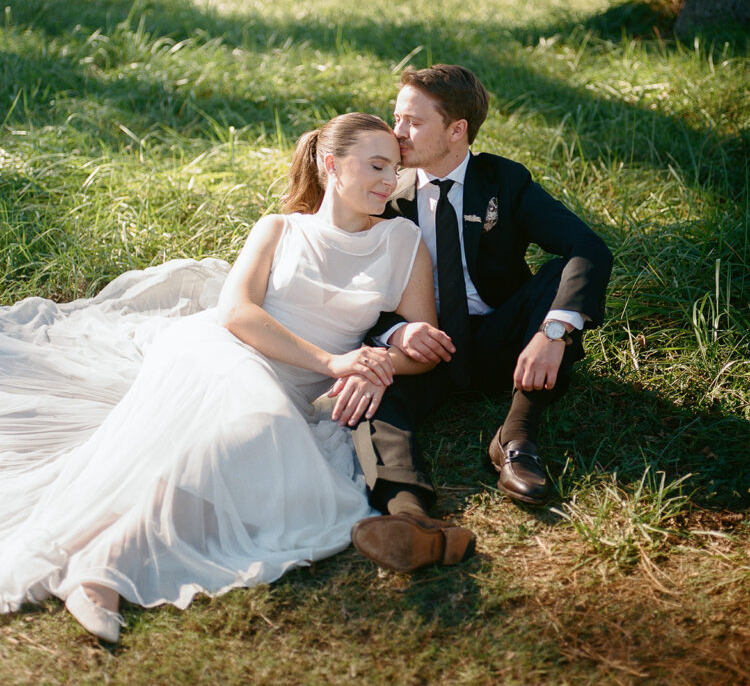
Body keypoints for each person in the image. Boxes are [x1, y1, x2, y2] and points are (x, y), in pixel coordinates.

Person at [0, 113, 473, 645]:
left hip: (303, 387)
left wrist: (384, 357)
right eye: (376, 166)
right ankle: (100, 572)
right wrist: (336, 363)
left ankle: (101, 556)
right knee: (256, 416)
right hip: (224, 350)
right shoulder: (279, 229)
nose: (390, 181)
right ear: (331, 164)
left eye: (396, 168)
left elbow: (424, 347)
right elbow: (238, 314)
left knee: (236, 443)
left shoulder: (402, 241)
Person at [349, 66, 613, 573]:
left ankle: (515, 438)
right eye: (396, 118)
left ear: (457, 130)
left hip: (500, 336)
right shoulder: (388, 191)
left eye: (413, 123)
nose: (397, 134)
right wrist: (397, 331)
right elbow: (359, 282)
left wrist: (552, 332)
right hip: (426, 345)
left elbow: (586, 248)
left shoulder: (504, 181)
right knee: (372, 389)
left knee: (560, 283)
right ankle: (408, 514)